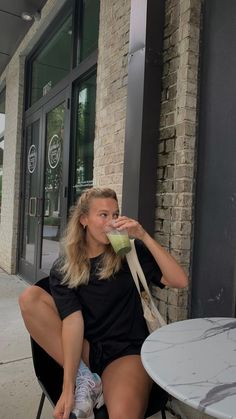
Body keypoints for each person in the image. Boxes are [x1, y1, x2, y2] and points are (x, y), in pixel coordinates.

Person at [19, 187, 188, 419]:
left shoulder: (128, 252)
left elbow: (179, 280)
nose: (112, 222)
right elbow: (72, 321)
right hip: (88, 351)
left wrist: (143, 235)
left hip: (126, 352)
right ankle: (84, 378)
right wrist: (68, 387)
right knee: (30, 298)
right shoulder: (64, 267)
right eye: (103, 215)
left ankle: (92, 382)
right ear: (84, 220)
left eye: (115, 214)